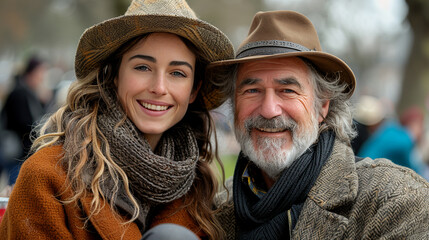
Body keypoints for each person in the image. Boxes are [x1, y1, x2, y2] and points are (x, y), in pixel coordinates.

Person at [0, 0, 234, 239]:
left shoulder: (199, 188)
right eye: (142, 67)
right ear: (114, 76)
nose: (159, 87)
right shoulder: (46, 176)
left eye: (177, 73)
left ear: (193, 90)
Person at [209, 10, 429, 239]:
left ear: (322, 105)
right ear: (234, 106)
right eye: (252, 90)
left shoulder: (395, 201)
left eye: (287, 90)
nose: (269, 110)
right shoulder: (215, 210)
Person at [0, 56, 48, 185]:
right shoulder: (21, 93)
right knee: (17, 191)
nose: (42, 77)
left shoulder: (26, 91)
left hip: (20, 153)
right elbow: (24, 123)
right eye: (41, 72)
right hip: (18, 154)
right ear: (32, 72)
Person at [358, 105, 427, 177]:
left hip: (362, 165)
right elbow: (414, 172)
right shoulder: (405, 140)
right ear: (415, 124)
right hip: (368, 174)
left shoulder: (391, 129)